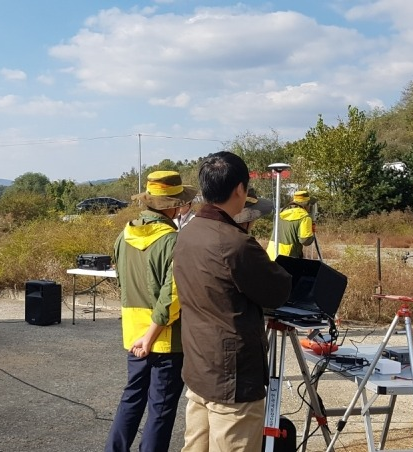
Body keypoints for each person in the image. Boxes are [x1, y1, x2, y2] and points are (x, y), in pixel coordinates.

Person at [174, 152, 292, 451]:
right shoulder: (235, 243)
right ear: (240, 189)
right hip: (233, 375)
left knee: (195, 445)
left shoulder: (188, 233)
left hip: (200, 364)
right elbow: (277, 291)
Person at [105, 171, 197, 452]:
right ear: (174, 206)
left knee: (131, 398)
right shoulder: (174, 241)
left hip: (133, 335)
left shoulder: (123, 236)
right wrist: (152, 334)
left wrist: (142, 336)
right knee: (160, 409)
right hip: (165, 340)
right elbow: (173, 296)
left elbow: (121, 281)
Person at [266, 189, 315, 260]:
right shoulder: (304, 217)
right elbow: (305, 241)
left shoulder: (281, 213)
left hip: (271, 253)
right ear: (306, 204)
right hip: (288, 257)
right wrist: (312, 233)